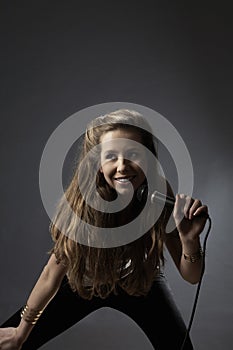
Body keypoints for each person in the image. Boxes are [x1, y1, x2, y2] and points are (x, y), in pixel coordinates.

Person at [0, 109, 208, 349]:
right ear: (98, 165)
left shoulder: (159, 193)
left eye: (133, 154)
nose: (122, 166)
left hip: (138, 280)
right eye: (111, 156)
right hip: (85, 283)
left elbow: (192, 277)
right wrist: (20, 334)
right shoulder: (83, 201)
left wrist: (190, 240)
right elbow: (51, 274)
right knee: (12, 342)